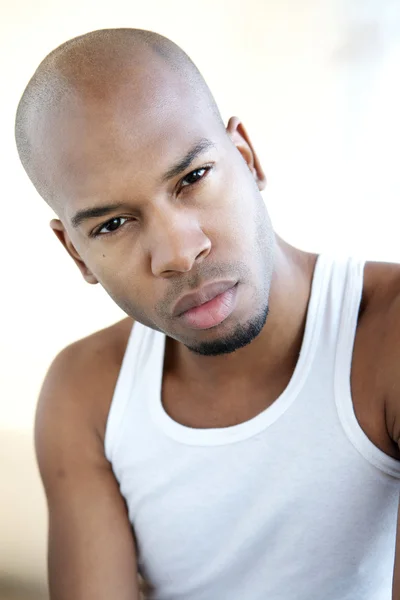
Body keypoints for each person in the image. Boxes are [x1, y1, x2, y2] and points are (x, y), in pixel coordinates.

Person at [14, 27, 400, 600]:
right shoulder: (86, 395)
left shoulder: (386, 334)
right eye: (113, 224)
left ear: (246, 158)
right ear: (76, 252)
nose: (178, 252)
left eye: (192, 179)